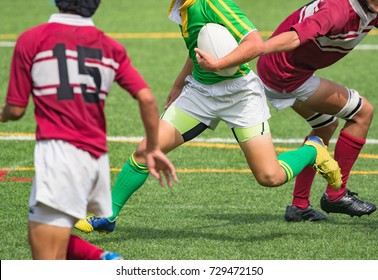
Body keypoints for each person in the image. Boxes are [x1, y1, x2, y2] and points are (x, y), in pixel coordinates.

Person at [74, 0, 341, 234]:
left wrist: (218, 65)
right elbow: (200, 47)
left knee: (269, 176)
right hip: (200, 94)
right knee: (146, 150)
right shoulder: (182, 5)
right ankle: (107, 216)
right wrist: (180, 83)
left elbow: (255, 43)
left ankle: (313, 149)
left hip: (240, 96)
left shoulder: (214, 3)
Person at [0, 0, 177, 259]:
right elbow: (147, 98)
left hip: (59, 154)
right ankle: (101, 259)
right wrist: (152, 147)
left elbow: (15, 110)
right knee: (44, 234)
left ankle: (102, 263)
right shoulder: (110, 46)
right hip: (95, 159)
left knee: (45, 254)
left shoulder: (32, 39)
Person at [254, 0, 377, 221]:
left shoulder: (370, 8)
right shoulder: (337, 11)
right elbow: (295, 37)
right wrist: (255, 49)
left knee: (325, 126)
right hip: (285, 74)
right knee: (362, 113)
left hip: (281, 69)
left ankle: (299, 206)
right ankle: (336, 194)